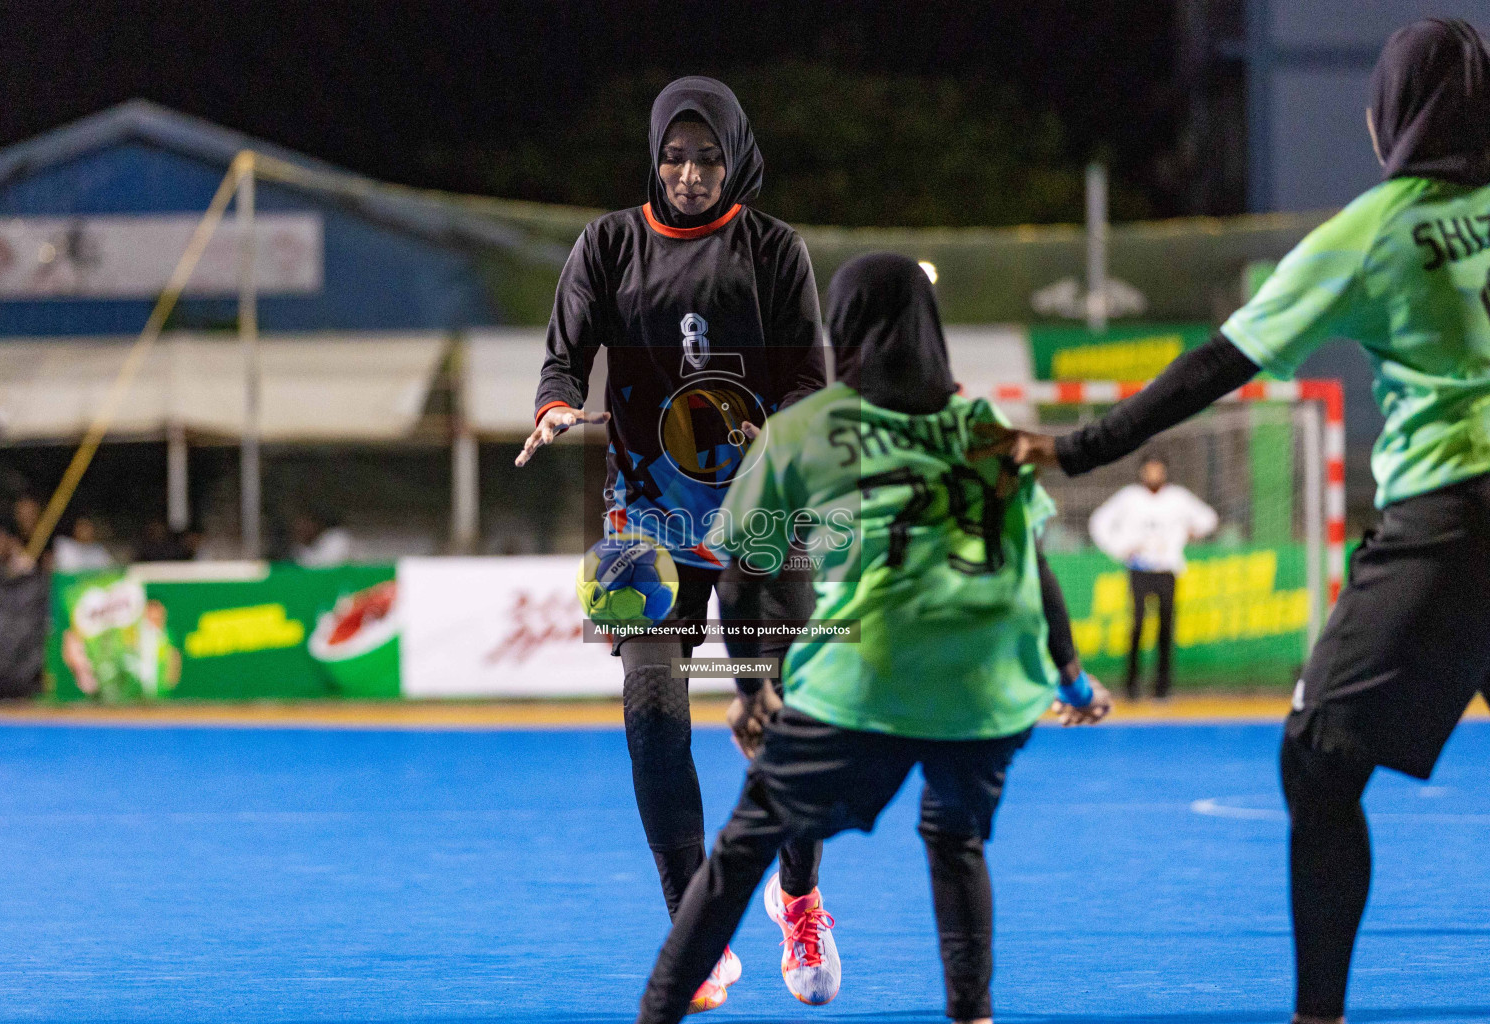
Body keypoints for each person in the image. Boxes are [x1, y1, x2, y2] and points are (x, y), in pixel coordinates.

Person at [978, 20, 1490, 1024]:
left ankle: (1318, 1016)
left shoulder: (1378, 227)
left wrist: (1077, 445)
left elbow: (1220, 363)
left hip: (1456, 512)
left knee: (1320, 757)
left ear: (1391, 115)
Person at [633, 254, 1112, 1024]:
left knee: (743, 848)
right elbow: (1038, 569)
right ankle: (971, 1013)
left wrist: (752, 693)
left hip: (863, 684)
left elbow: (737, 574)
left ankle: (659, 1012)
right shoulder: (982, 426)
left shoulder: (804, 429)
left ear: (842, 330)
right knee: (954, 840)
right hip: (984, 696)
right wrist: (1073, 678)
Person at [515, 77, 833, 1010]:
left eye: (707, 156)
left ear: (735, 156)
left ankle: (800, 897)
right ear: (653, 155)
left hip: (761, 515)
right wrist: (559, 404)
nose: (689, 173)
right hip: (641, 522)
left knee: (781, 714)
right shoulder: (607, 244)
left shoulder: (774, 251)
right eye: (674, 155)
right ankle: (695, 922)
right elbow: (562, 356)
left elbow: (808, 383)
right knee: (652, 708)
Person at [1087, 456, 1217, 700]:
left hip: (1167, 569)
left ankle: (1162, 688)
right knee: (1137, 626)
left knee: (1165, 627)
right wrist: (1119, 547)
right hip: (1139, 568)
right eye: (1150, 470)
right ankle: (1132, 686)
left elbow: (1208, 518)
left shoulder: (1177, 497)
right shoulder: (1129, 497)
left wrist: (1191, 532)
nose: (1154, 474)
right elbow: (1099, 521)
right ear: (1142, 473)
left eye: (1159, 470)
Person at [290, 510, 354, 567]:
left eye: (305, 524)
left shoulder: (336, 537)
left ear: (316, 524)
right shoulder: (299, 548)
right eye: (298, 527)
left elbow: (330, 567)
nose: (301, 529)